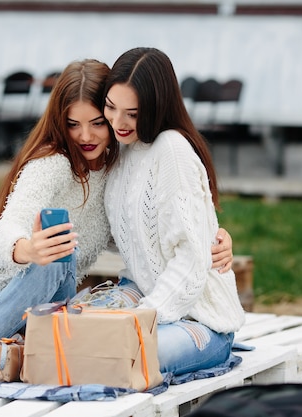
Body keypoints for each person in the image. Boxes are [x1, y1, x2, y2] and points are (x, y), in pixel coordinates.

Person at [0, 58, 234, 380]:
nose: (86, 135)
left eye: (98, 122)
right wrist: (26, 249)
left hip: (40, 310)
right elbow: (10, 225)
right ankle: (2, 351)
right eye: (74, 124)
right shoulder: (52, 163)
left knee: (58, 251)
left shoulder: (121, 168)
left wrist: (211, 237)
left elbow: (143, 232)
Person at [100, 47, 246, 376]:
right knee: (74, 334)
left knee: (125, 357)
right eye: (111, 107)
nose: (118, 122)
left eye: (132, 114)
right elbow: (127, 235)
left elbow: (192, 260)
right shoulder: (123, 150)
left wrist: (142, 317)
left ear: (155, 107)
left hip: (200, 321)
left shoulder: (172, 150)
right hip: (146, 297)